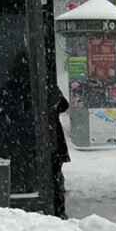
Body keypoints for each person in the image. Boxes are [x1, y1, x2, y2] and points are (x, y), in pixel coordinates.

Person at [49, 82, 70, 219]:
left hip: (52, 140)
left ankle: (58, 210)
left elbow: (64, 105)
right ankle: (59, 211)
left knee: (56, 176)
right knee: (56, 177)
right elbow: (64, 105)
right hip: (54, 141)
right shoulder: (49, 89)